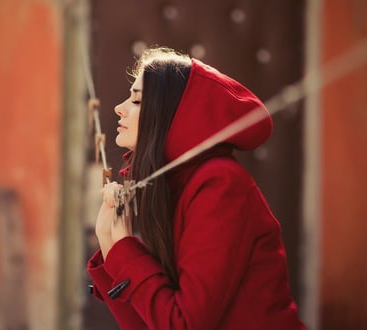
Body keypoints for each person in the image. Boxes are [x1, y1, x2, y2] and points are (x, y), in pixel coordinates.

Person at [87, 47, 306, 330]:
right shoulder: (171, 184)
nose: (120, 107)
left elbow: (184, 324)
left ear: (175, 115)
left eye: (137, 100)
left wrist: (124, 250)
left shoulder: (220, 185)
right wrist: (109, 242)